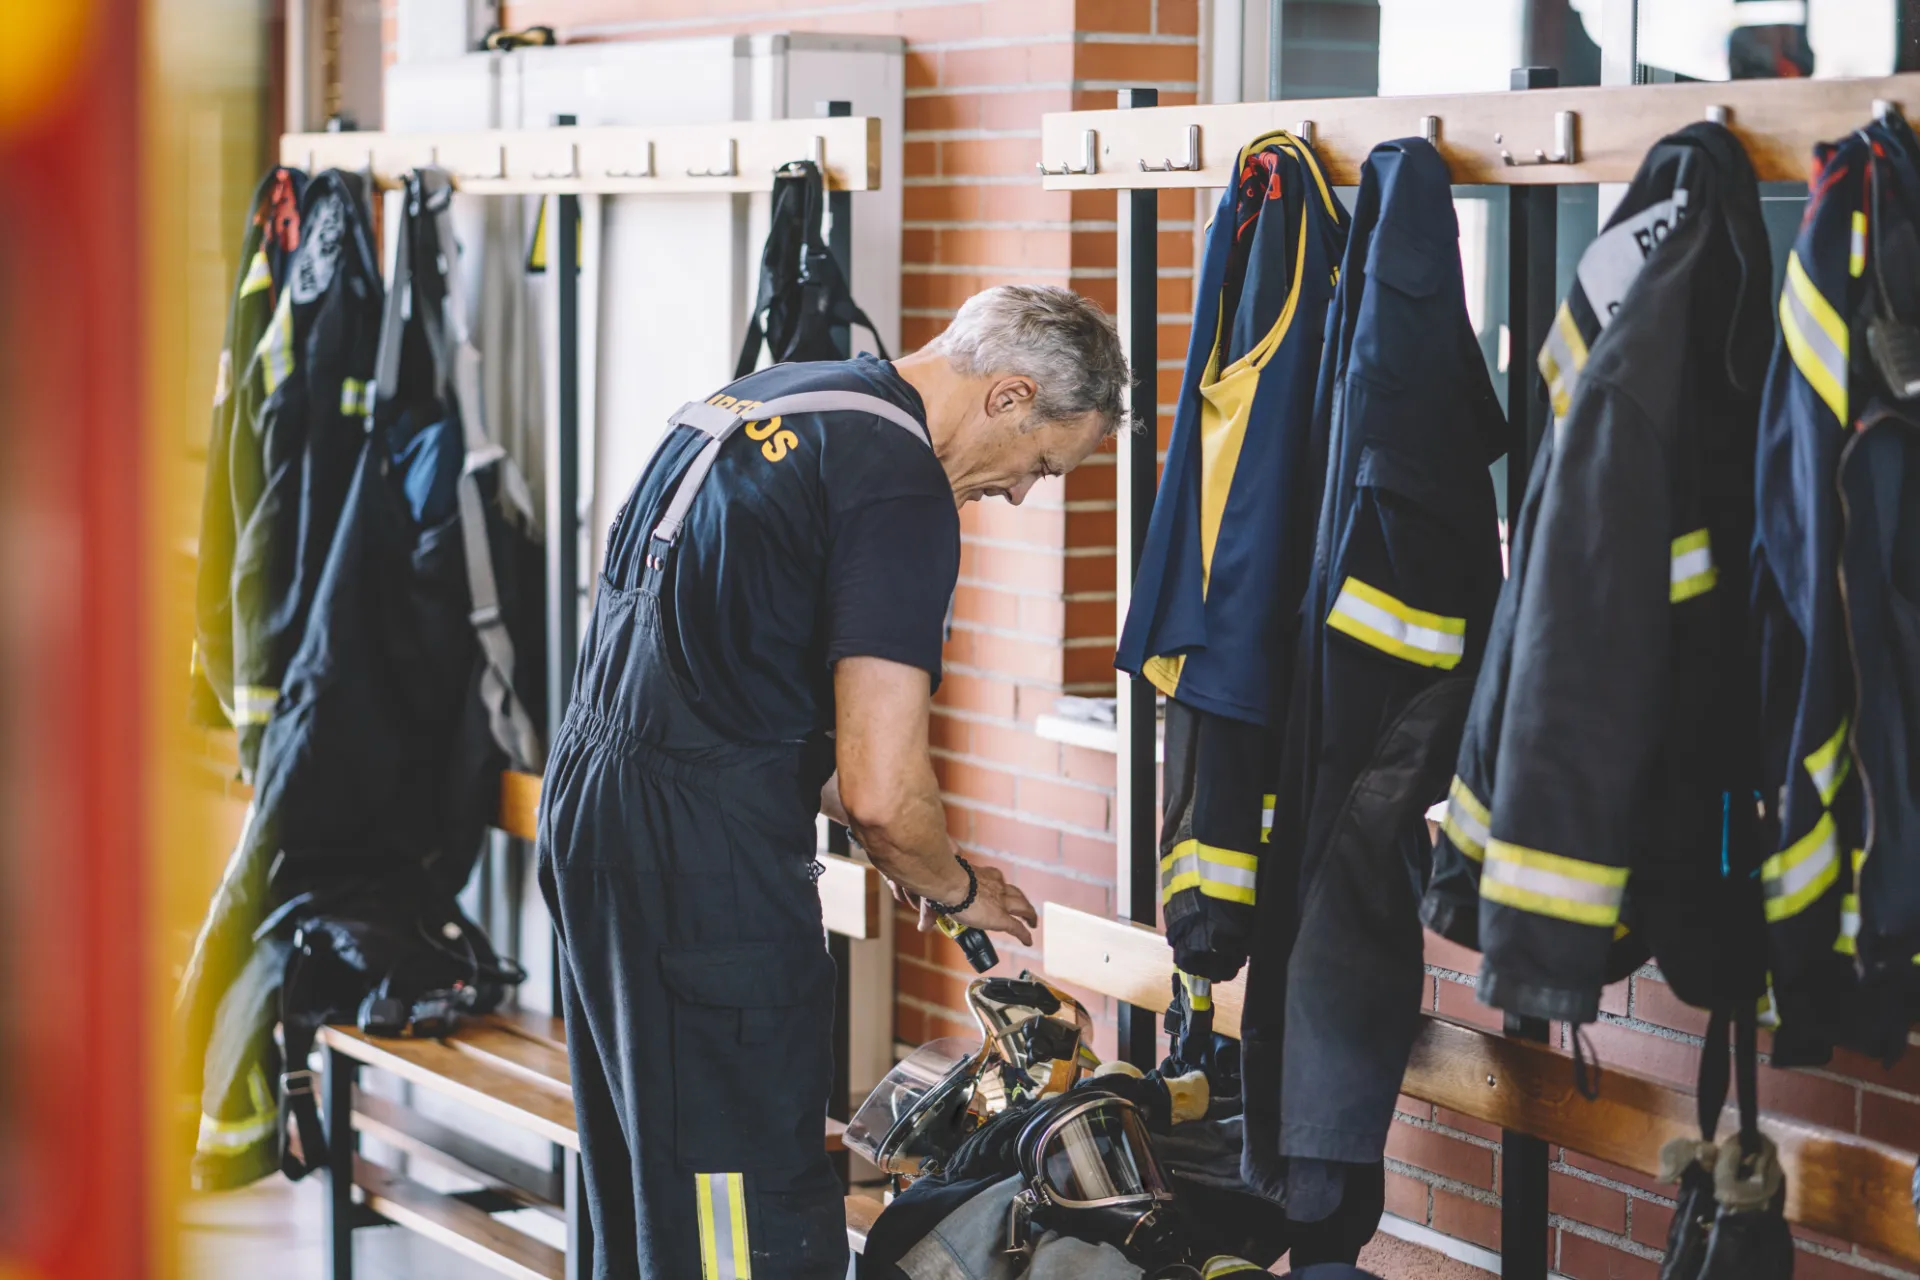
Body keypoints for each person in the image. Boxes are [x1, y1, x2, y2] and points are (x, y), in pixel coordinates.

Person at [536, 284, 1131, 1280]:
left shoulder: (765, 399)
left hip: (598, 810)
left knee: (645, 1169)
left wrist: (897, 839)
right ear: (1010, 393)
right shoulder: (899, 488)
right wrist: (954, 885)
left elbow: (721, 686)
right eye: (1040, 462)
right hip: (703, 871)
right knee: (742, 1191)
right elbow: (883, 792)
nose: (1023, 493)